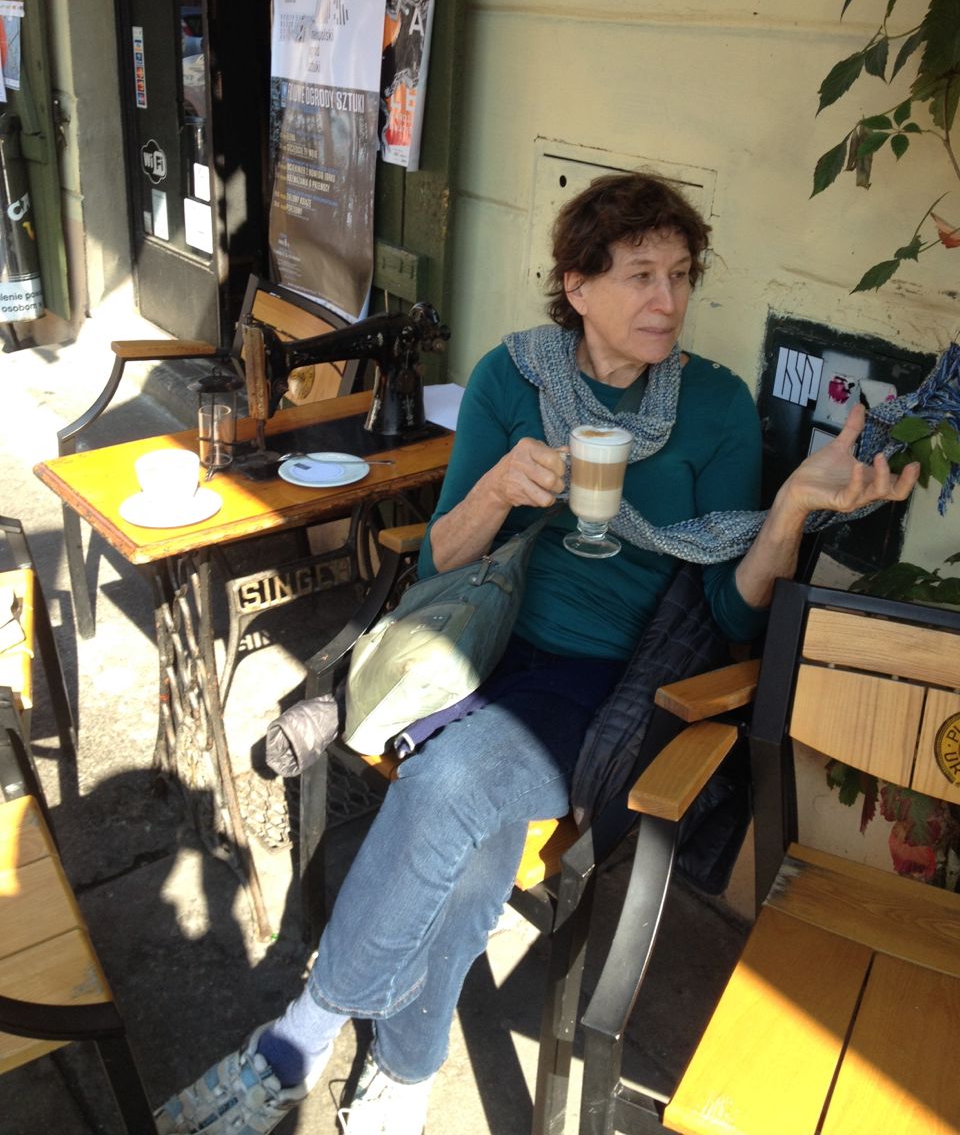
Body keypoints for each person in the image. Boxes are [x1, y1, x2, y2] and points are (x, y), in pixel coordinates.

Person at [155, 173, 918, 1135]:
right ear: (578, 286)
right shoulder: (513, 379)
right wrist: (498, 489)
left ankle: (295, 1043)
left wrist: (793, 509)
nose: (668, 299)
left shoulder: (716, 405)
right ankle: (407, 1070)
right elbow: (443, 555)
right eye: (640, 275)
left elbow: (730, 603)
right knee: (472, 850)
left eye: (681, 275)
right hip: (478, 645)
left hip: (604, 683)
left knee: (446, 786)